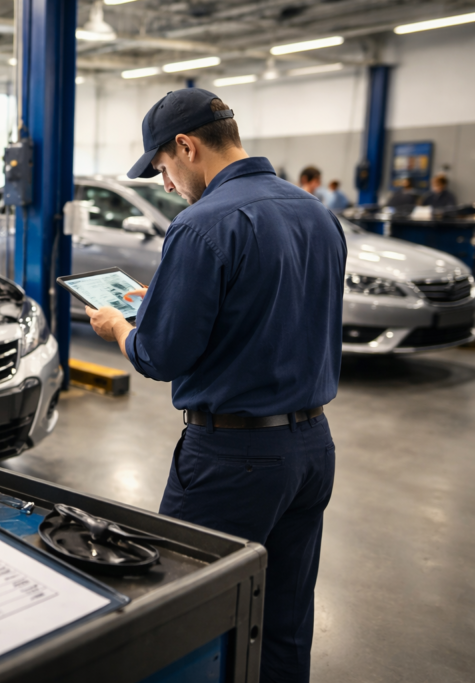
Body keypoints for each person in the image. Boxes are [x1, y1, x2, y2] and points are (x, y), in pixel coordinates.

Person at [85, 88, 345, 683]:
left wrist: (121, 328)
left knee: (184, 609)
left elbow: (161, 354)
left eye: (164, 169)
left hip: (232, 461)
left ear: (186, 146)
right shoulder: (316, 213)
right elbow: (275, 311)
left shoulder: (201, 225)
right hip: (312, 451)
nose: (168, 183)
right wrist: (172, 302)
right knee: (283, 618)